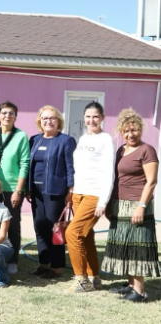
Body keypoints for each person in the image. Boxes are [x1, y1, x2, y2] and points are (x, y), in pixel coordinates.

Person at [101, 108, 159, 302]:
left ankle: (141, 292)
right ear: (121, 131)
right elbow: (116, 179)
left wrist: (141, 206)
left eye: (133, 130)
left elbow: (151, 181)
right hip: (119, 204)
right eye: (126, 131)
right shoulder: (121, 149)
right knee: (124, 246)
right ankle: (131, 285)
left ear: (140, 130)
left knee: (137, 247)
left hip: (137, 205)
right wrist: (110, 204)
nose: (130, 134)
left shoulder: (147, 150)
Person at [65, 101, 115, 293]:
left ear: (102, 118)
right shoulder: (83, 139)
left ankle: (81, 279)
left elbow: (109, 172)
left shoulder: (106, 139)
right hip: (78, 193)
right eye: (88, 116)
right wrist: (71, 193)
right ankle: (94, 278)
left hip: (94, 194)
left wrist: (103, 200)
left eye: (95, 116)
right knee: (86, 236)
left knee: (73, 232)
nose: (91, 120)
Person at [27, 106, 75, 279]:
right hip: (36, 191)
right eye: (45, 118)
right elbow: (28, 166)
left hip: (55, 191)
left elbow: (71, 167)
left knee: (55, 229)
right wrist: (28, 188)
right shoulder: (34, 140)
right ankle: (43, 263)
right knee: (40, 226)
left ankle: (56, 267)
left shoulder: (66, 141)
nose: (49, 121)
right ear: (40, 121)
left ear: (58, 121)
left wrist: (71, 190)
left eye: (52, 118)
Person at [0, 101, 29, 274]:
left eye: (11, 113)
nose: (7, 116)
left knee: (12, 224)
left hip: (12, 188)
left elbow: (25, 163)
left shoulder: (21, 136)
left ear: (15, 117)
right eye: (4, 113)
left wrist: (19, 190)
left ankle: (12, 260)